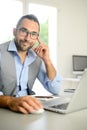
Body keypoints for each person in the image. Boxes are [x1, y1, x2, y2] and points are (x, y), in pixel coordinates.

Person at [0, 14, 62, 114]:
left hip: (28, 111)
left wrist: (47, 60)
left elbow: (55, 88)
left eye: (33, 34)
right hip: (5, 111)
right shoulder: (1, 52)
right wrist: (11, 101)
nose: (28, 38)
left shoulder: (36, 58)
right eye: (24, 31)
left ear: (37, 37)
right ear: (14, 32)